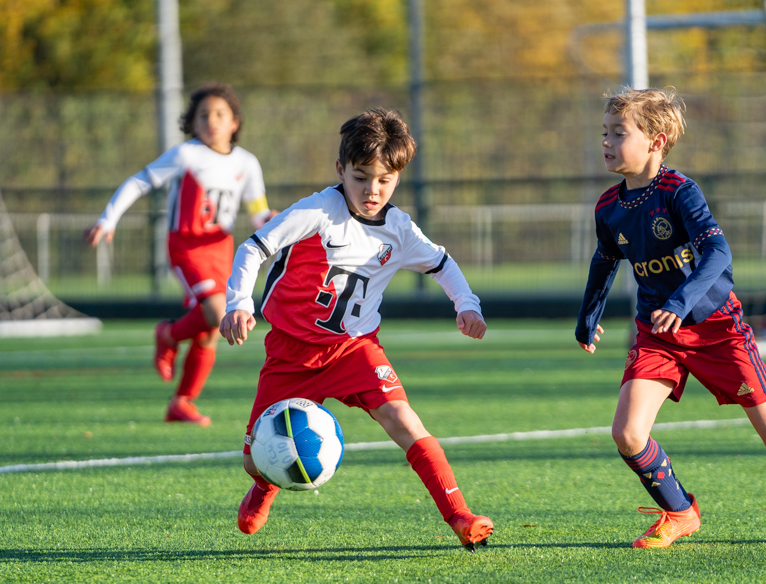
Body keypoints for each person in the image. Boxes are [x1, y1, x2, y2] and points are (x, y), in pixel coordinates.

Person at [575, 88, 766, 549]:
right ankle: (679, 511)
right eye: (604, 132)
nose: (606, 141)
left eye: (619, 133)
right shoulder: (608, 206)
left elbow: (718, 252)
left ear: (656, 140)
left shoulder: (679, 192)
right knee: (627, 433)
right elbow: (605, 261)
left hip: (718, 330)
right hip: (658, 334)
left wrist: (680, 303)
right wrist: (588, 314)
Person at [219, 108, 494, 551]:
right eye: (361, 176)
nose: (372, 190)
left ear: (398, 178)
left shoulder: (399, 229)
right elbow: (253, 248)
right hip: (291, 354)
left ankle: (460, 515)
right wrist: (237, 303)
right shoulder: (316, 211)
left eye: (384, 179)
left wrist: (467, 304)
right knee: (254, 459)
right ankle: (265, 484)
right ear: (340, 170)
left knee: (406, 421)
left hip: (355, 350)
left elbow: (442, 264)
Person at [84, 83, 273, 427]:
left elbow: (258, 213)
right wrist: (107, 219)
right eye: (203, 115)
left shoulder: (247, 162)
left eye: (220, 114)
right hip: (187, 247)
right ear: (192, 122)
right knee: (217, 313)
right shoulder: (186, 155)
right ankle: (167, 335)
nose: (211, 121)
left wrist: (275, 221)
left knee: (209, 331)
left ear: (235, 122)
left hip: (221, 249)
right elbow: (140, 181)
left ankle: (181, 403)